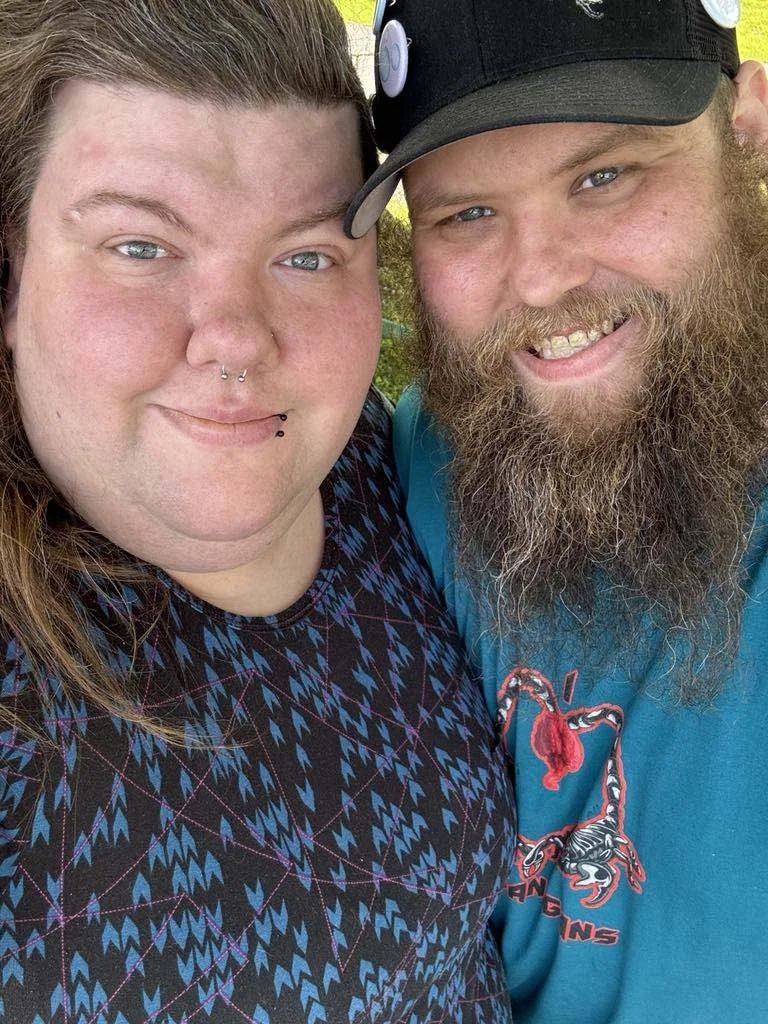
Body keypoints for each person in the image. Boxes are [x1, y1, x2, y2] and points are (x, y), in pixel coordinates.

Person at [0, 2, 518, 1021]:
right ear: (11, 276)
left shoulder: (378, 466)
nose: (237, 339)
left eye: (306, 256)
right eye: (141, 246)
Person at [345, 0, 768, 1021]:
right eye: (466, 214)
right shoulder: (416, 461)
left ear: (749, 130)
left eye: (604, 176)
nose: (539, 283)